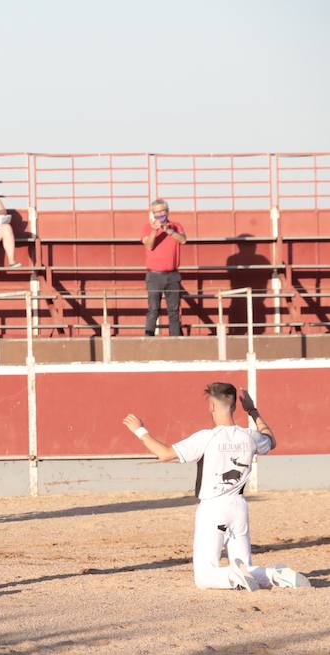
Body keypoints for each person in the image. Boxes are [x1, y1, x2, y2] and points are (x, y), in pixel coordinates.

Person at [123, 383, 309, 591]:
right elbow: (270, 440)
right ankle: (276, 575)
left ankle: (233, 577)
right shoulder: (249, 436)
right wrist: (253, 410)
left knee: (204, 576)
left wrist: (139, 430)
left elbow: (165, 454)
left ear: (211, 406)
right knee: (246, 566)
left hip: (213, 509)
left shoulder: (206, 438)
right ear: (234, 406)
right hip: (239, 508)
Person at [141, 198, 187, 337]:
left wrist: (169, 231)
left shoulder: (176, 226)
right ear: (152, 213)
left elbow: (183, 240)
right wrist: (155, 231)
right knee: (153, 309)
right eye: (157, 212)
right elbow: (148, 245)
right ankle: (148, 338)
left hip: (172, 275)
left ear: (167, 211)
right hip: (154, 276)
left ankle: (175, 340)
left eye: (162, 211)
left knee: (173, 310)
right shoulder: (147, 227)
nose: (160, 214)